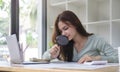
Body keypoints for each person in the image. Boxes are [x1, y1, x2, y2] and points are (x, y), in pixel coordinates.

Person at [42, 10, 118, 63]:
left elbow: (117, 58)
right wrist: (51, 55)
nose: (63, 34)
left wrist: (96, 58)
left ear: (75, 23)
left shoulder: (96, 40)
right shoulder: (64, 44)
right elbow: (43, 58)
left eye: (65, 28)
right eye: (61, 31)